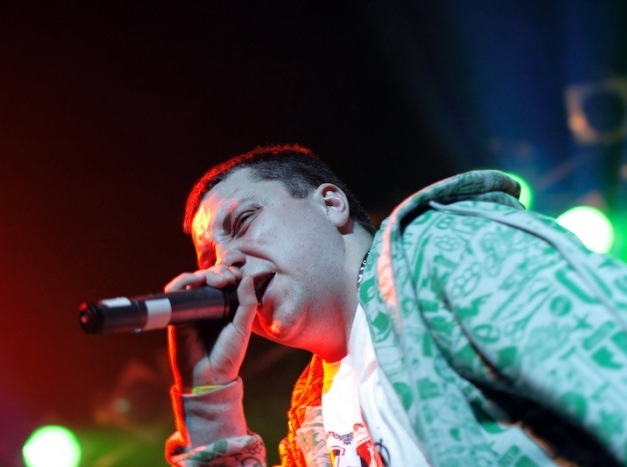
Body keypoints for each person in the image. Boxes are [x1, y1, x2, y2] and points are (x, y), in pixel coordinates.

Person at [163, 144, 627, 466]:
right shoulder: (309, 415)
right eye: (210, 260)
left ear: (331, 204)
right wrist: (208, 402)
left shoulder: (441, 250)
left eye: (244, 221)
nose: (227, 265)